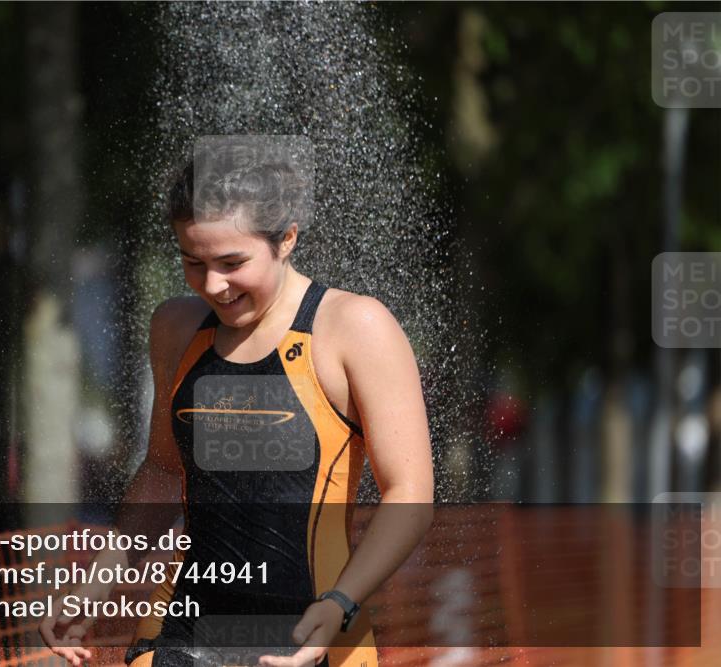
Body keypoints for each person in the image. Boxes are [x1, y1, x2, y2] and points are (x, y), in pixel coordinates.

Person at [41, 142, 434, 667]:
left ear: (287, 238)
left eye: (232, 262)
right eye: (192, 262)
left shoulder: (354, 327)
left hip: (309, 636)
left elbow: (409, 492)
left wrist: (340, 602)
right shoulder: (176, 330)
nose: (213, 285)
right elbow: (162, 471)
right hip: (180, 634)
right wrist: (95, 586)